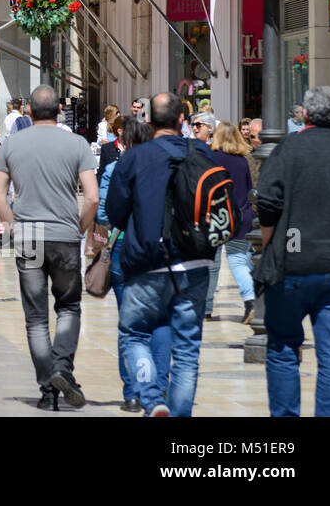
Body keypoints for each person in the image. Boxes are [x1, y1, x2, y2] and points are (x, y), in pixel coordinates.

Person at [104, 93, 217, 417]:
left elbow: (114, 212)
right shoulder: (204, 154)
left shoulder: (134, 158)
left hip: (147, 262)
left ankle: (152, 399)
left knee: (134, 333)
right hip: (195, 261)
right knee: (187, 350)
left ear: (148, 122)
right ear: (182, 120)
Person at [0, 85, 99, 411]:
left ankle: (47, 390)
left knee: (36, 318)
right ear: (59, 111)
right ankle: (63, 368)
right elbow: (92, 197)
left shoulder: (10, 144)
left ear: (30, 112)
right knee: (68, 307)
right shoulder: (77, 144)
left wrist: (12, 226)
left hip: (29, 237)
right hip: (65, 235)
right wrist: (79, 228)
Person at [254, 86, 330, 416]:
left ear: (304, 115)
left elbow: (266, 201)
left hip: (291, 261)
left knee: (282, 348)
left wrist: (270, 242)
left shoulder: (287, 150)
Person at [94, 118, 165, 412]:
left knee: (129, 320)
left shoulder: (115, 168)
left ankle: (133, 392)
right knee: (160, 320)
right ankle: (158, 388)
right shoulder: (165, 168)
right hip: (161, 247)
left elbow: (102, 212)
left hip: (124, 243)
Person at [205, 121, 255, 324]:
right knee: (240, 260)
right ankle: (252, 300)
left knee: (212, 264)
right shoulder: (243, 161)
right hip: (241, 216)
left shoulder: (212, 158)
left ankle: (206, 308)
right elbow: (250, 189)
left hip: (217, 217)